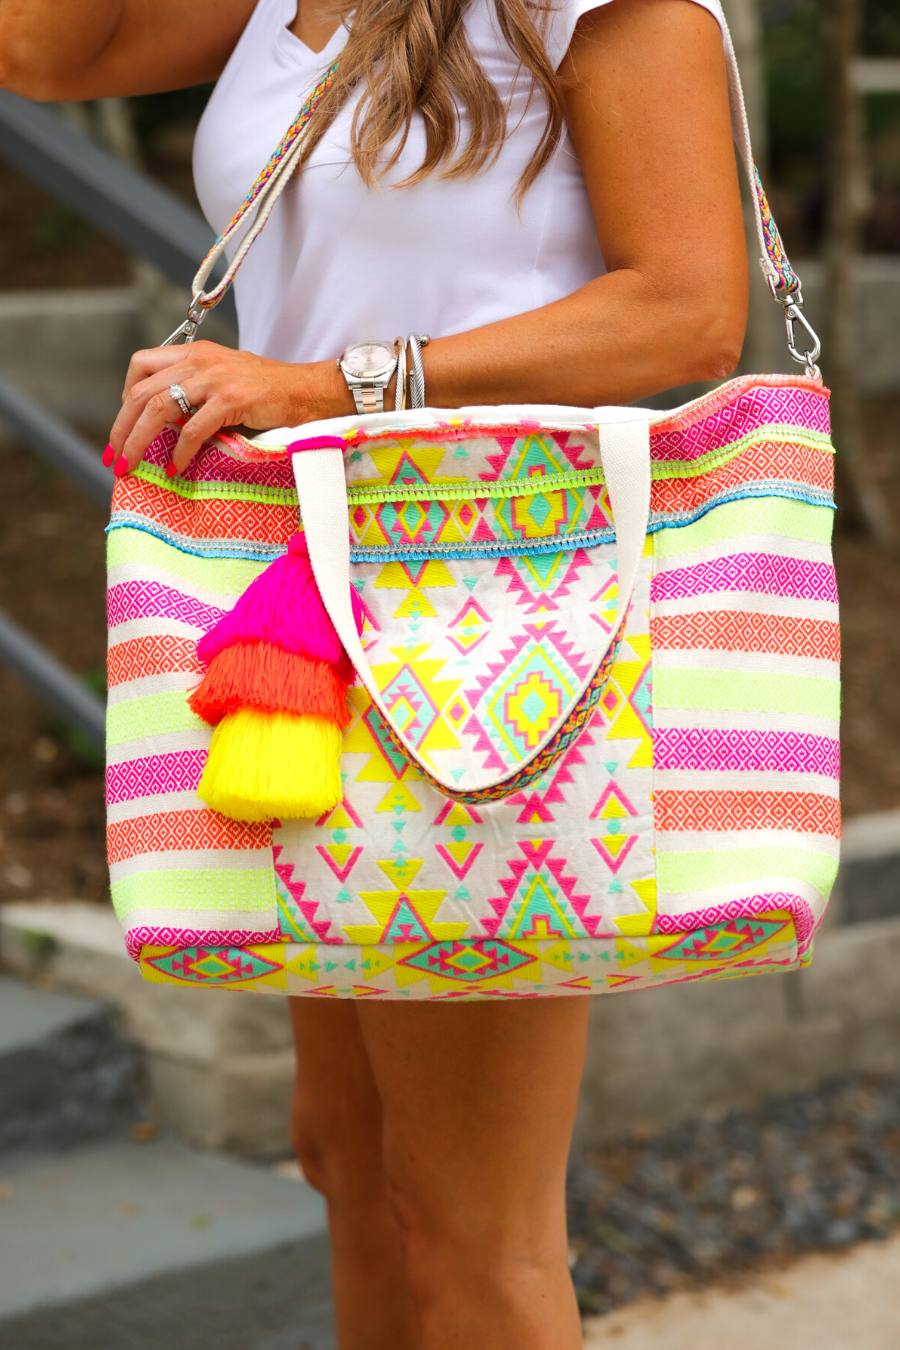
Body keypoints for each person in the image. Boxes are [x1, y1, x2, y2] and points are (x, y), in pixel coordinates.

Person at [0, 1, 747, 1344]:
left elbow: (689, 312)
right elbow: (37, 48)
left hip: (492, 626)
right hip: (309, 609)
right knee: (347, 1161)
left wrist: (341, 384)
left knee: (470, 1224)